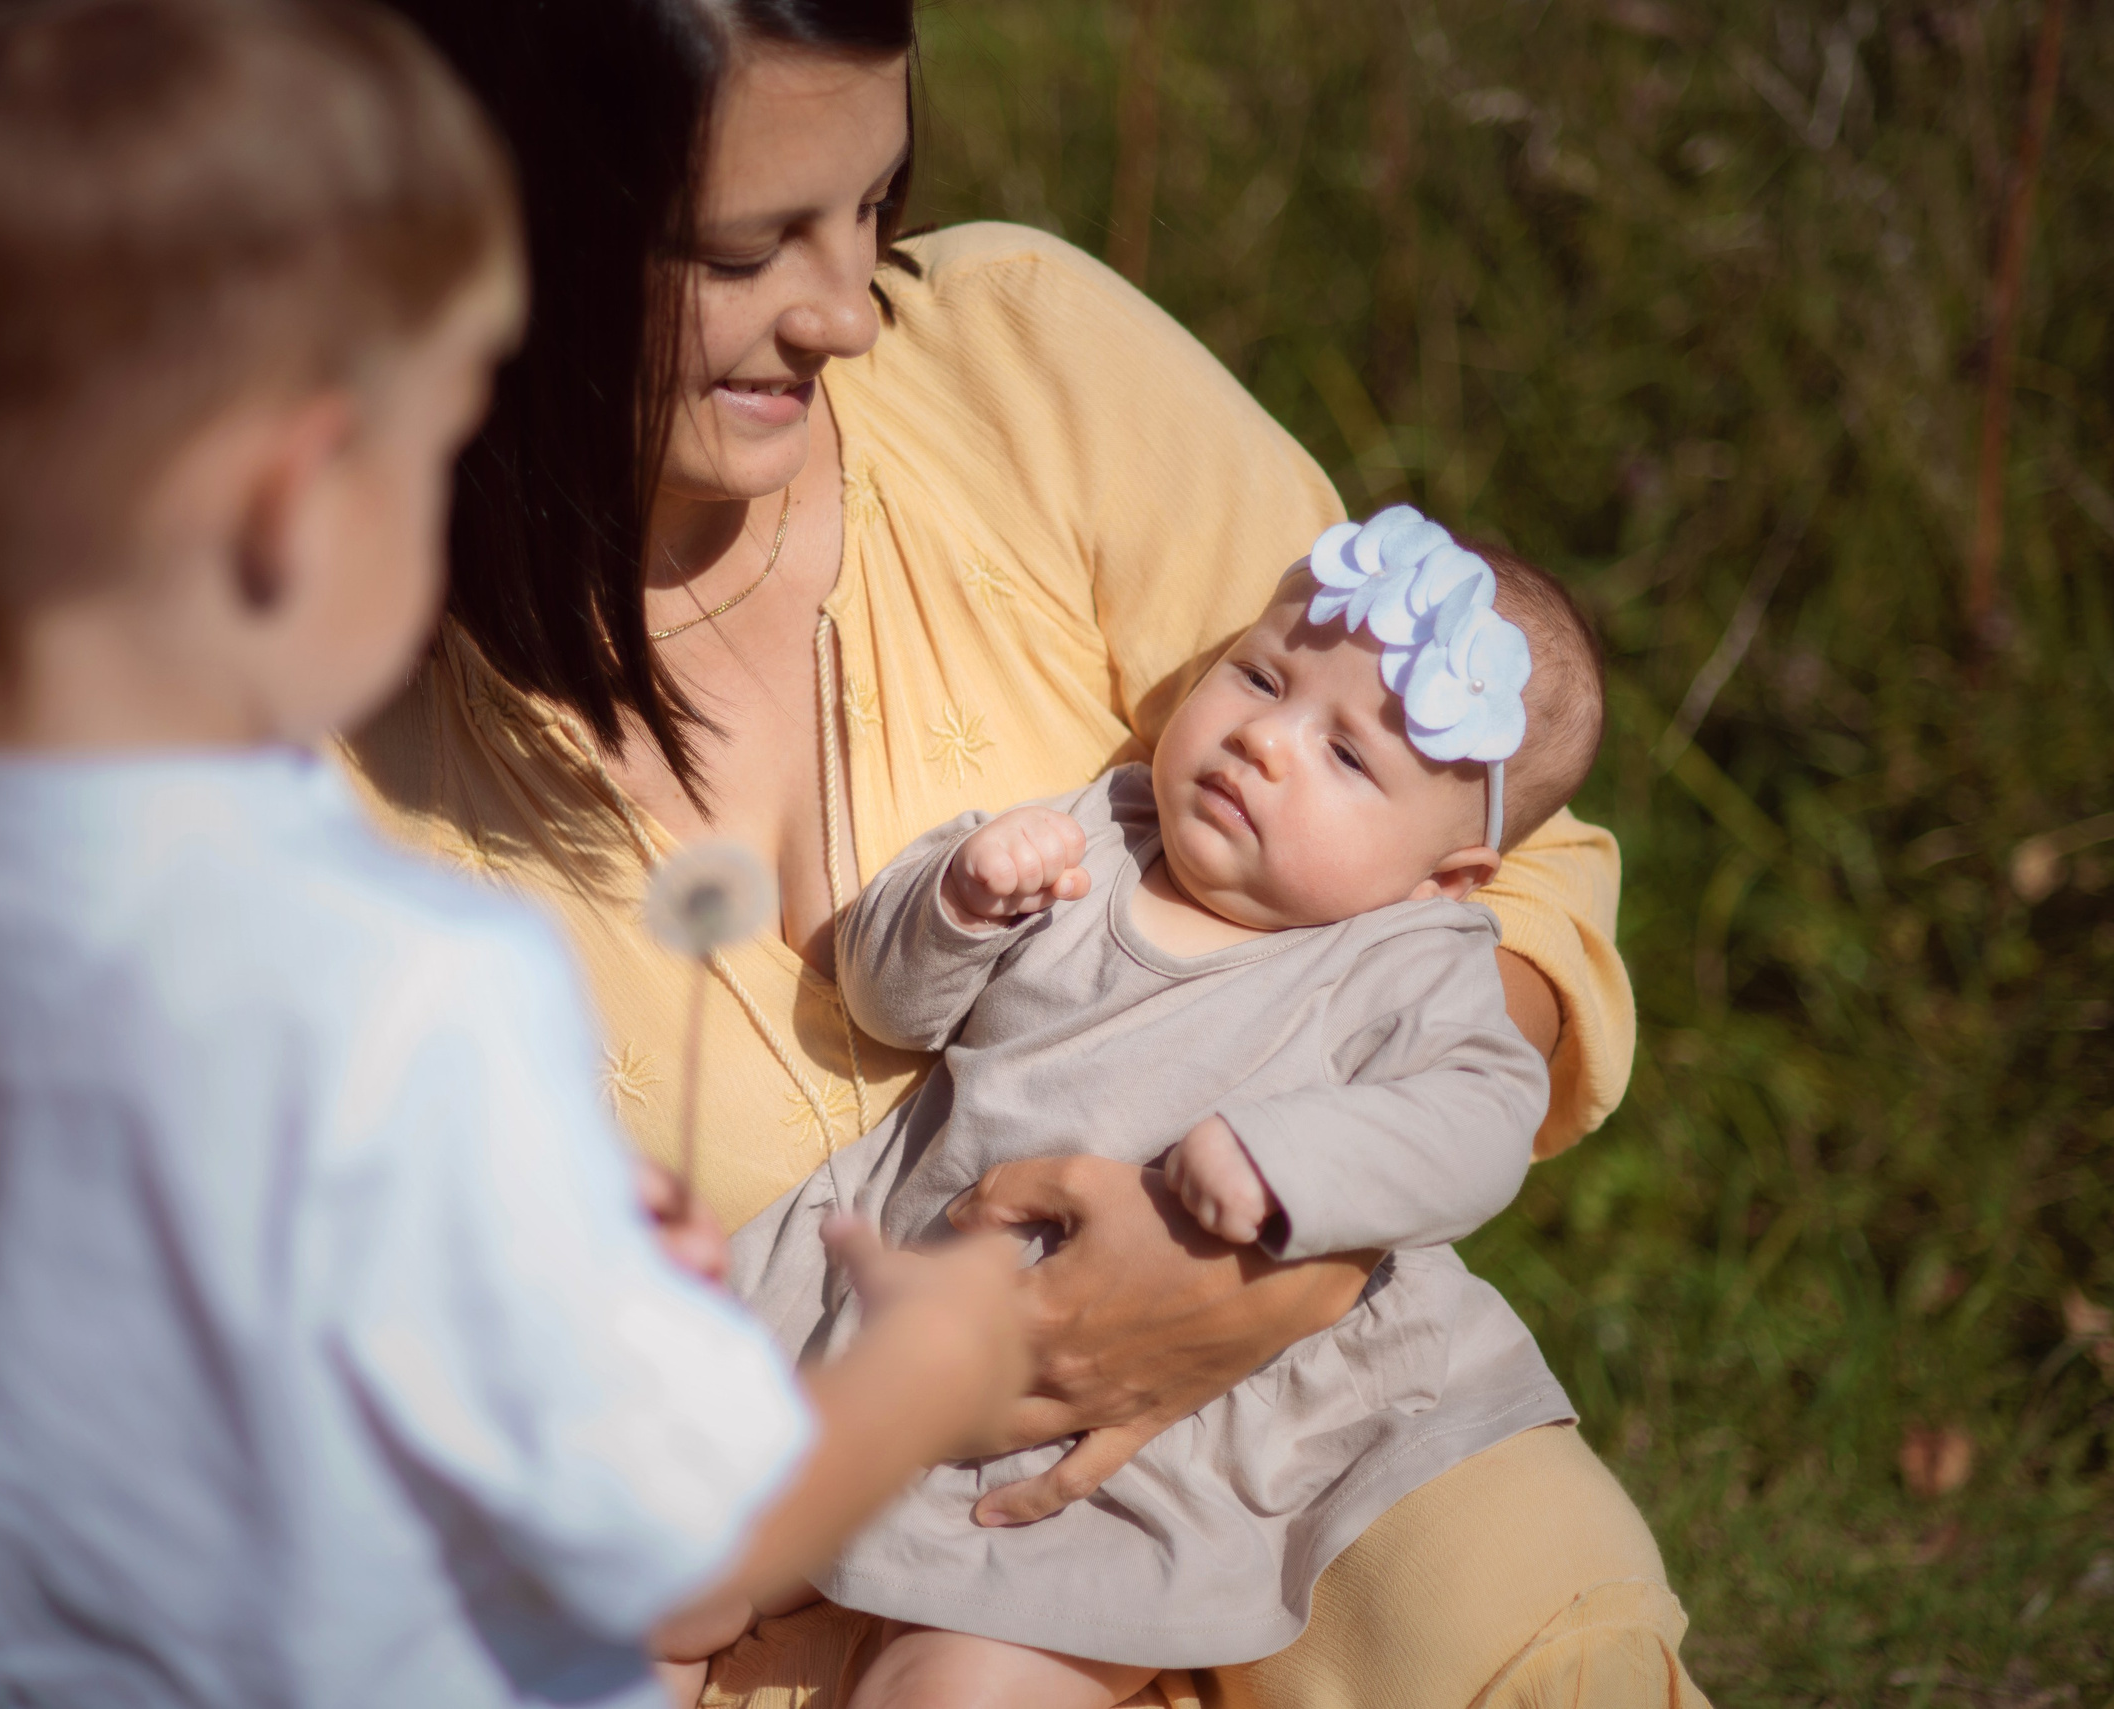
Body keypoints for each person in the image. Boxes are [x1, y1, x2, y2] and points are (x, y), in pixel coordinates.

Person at [358, 0, 1707, 1701]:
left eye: (875, 206)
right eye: (746, 245)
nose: (849, 311)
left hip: (1288, 1419)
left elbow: (1516, 863)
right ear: (498, 219)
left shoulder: (1018, 355)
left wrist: (1253, 1267)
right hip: (804, 1549)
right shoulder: (314, 700)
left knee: (1529, 1612)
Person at [0, 2, 1025, 1704]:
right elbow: (688, 1529)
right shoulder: (408, 990)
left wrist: (525, 1218)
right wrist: (927, 1368)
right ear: (294, 495)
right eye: (441, 441)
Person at [719, 519, 1600, 1708]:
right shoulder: (1097, 833)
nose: (1264, 741)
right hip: (877, 1326)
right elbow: (885, 1004)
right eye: (1260, 674)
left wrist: (1291, 1159)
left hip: (1108, 1464)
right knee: (654, 1569)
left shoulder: (1403, 959)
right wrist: (960, 901)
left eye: (1346, 756)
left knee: (950, 1691)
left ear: (1443, 876)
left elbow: (1485, 1115)